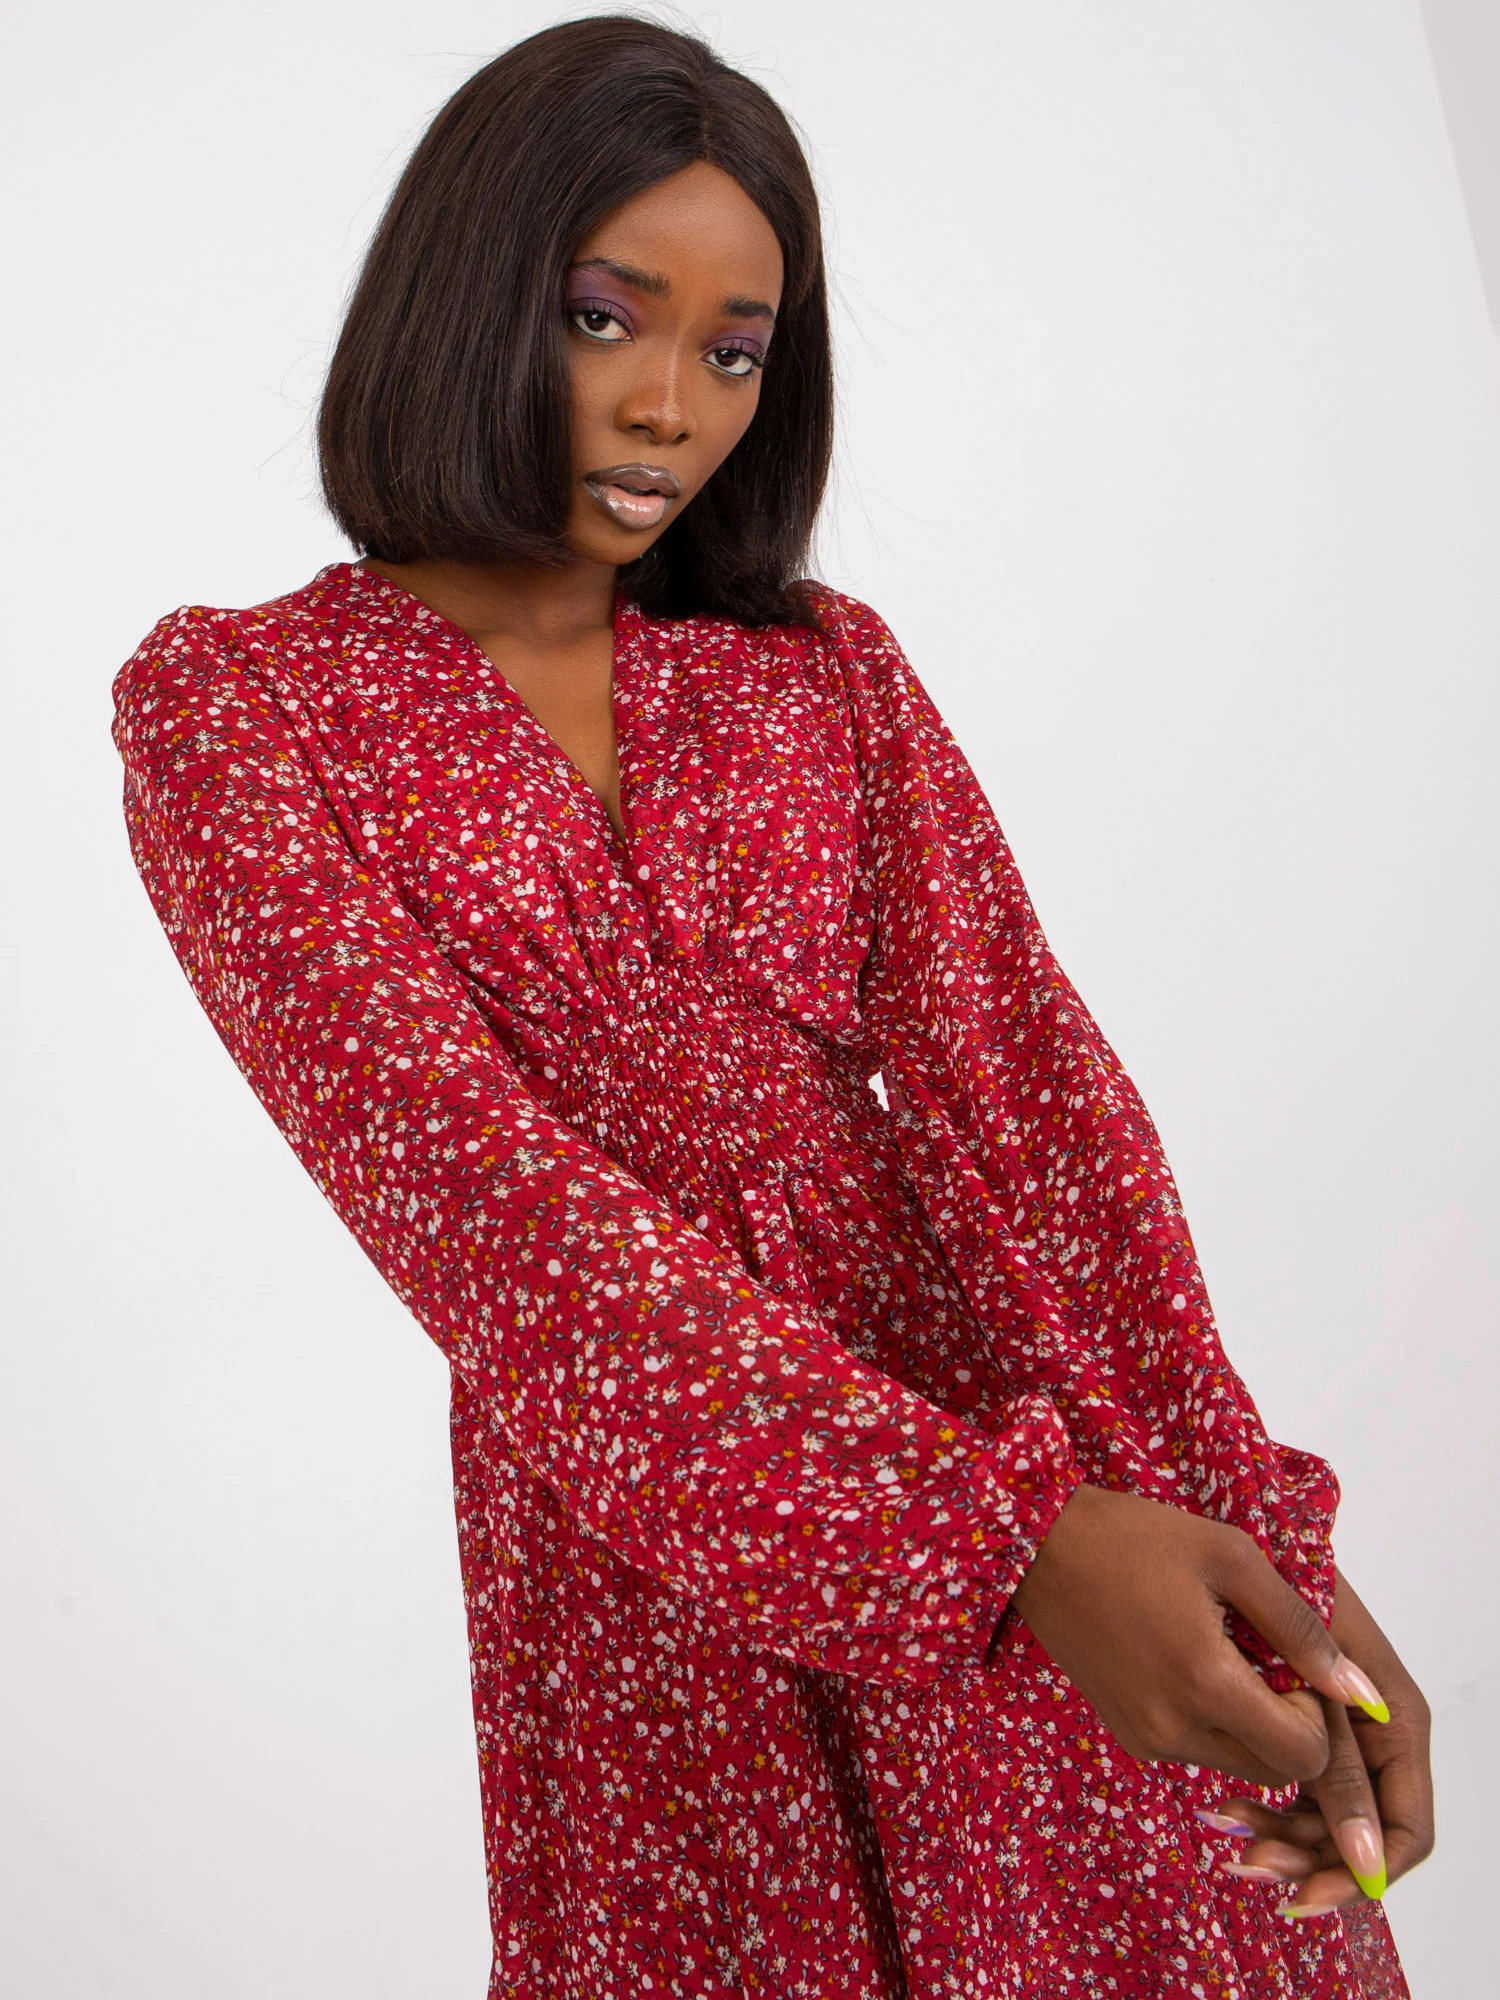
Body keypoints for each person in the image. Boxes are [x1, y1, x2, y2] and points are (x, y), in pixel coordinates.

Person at [110, 15, 1432, 1997]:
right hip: (658, 1529)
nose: (670, 406)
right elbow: (485, 1217)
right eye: (604, 318)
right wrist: (993, 1550)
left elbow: (1046, 1118)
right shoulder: (237, 707)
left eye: (735, 352)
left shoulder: (825, 668)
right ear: (463, 293)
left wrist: (1267, 1554)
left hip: (1042, 1470)